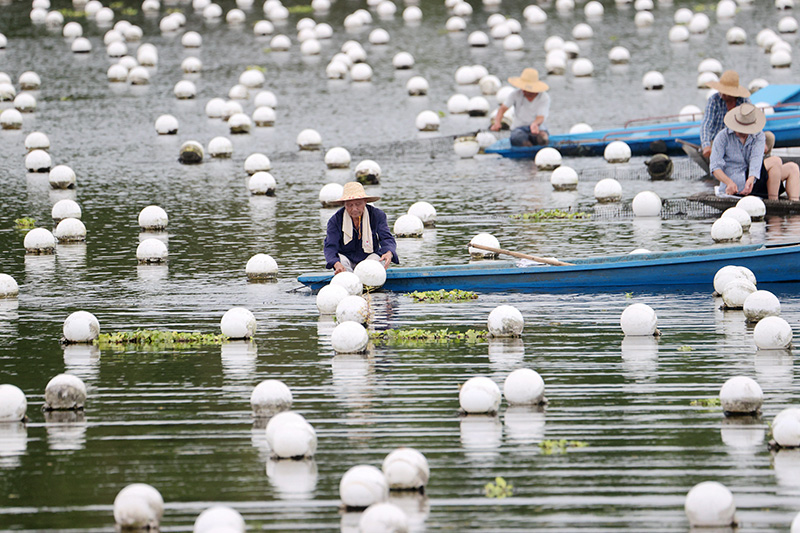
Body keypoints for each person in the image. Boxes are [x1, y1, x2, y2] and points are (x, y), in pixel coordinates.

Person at [324, 182, 399, 274]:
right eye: (350, 205)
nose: (354, 209)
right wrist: (336, 263)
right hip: (346, 259)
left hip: (370, 257)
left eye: (358, 204)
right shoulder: (335, 220)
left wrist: (388, 252)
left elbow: (386, 238)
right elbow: (330, 246)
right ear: (344, 205)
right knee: (342, 262)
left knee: (376, 261)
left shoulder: (377, 215)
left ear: (365, 202)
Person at [710, 103, 766, 197]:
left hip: (752, 183)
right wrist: (729, 182)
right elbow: (715, 167)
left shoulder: (758, 136)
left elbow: (756, 159)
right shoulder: (722, 137)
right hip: (730, 187)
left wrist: (751, 178)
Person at [490, 68, 550, 147]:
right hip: (519, 129)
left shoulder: (544, 97)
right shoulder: (515, 94)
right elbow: (502, 109)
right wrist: (497, 122)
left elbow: (541, 117)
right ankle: (527, 146)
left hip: (537, 127)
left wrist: (534, 124)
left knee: (543, 138)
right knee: (518, 138)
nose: (524, 91)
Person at [701, 70, 751, 159]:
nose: (723, 94)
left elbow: (752, 122)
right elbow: (706, 124)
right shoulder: (714, 100)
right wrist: (706, 145)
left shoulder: (744, 101)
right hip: (718, 140)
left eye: (727, 92)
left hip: (739, 139)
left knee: (769, 138)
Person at [753, 131, 800, 201]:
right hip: (749, 177)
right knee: (775, 162)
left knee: (792, 168)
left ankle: (795, 204)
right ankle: (774, 202)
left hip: (760, 172)